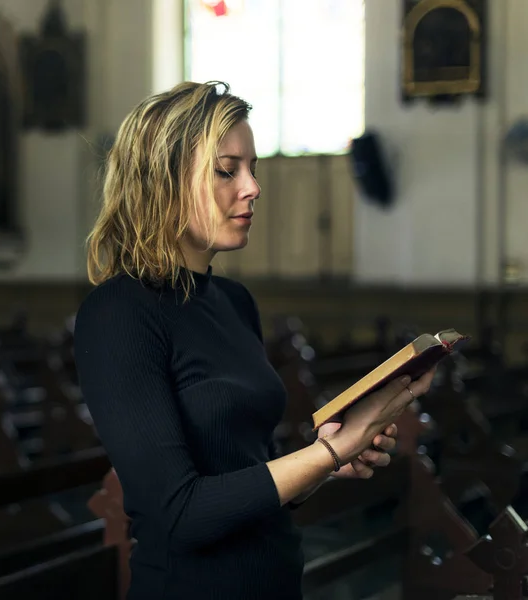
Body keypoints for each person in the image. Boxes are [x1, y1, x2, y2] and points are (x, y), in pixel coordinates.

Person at [73, 81, 436, 600]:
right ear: (164, 180)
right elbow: (182, 515)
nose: (252, 187)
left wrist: (329, 463)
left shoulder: (234, 301)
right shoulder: (118, 314)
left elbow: (250, 480)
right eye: (227, 170)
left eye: (252, 168)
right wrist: (329, 453)